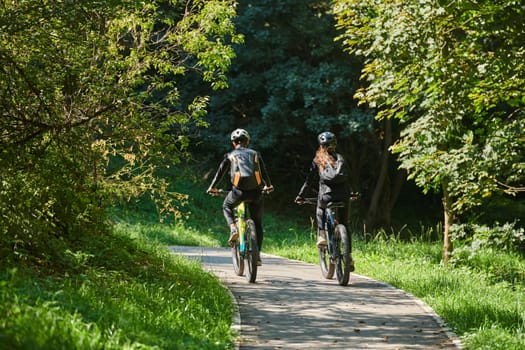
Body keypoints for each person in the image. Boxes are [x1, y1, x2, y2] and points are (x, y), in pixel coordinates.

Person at [207, 128, 273, 265]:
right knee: (258, 224)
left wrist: (212, 187)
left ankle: (232, 227)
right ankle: (257, 256)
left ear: (233, 143)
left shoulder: (230, 155)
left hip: (238, 192)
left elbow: (220, 173)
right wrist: (269, 185)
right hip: (256, 193)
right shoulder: (255, 154)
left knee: (226, 205)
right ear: (247, 142)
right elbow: (263, 171)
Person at [294, 131, 354, 269]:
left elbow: (309, 181)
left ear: (321, 145)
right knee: (345, 223)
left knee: (320, 208)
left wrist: (301, 195)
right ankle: (348, 256)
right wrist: (353, 193)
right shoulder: (341, 158)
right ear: (335, 144)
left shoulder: (318, 160)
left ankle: (321, 234)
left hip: (326, 196)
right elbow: (348, 178)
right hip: (343, 196)